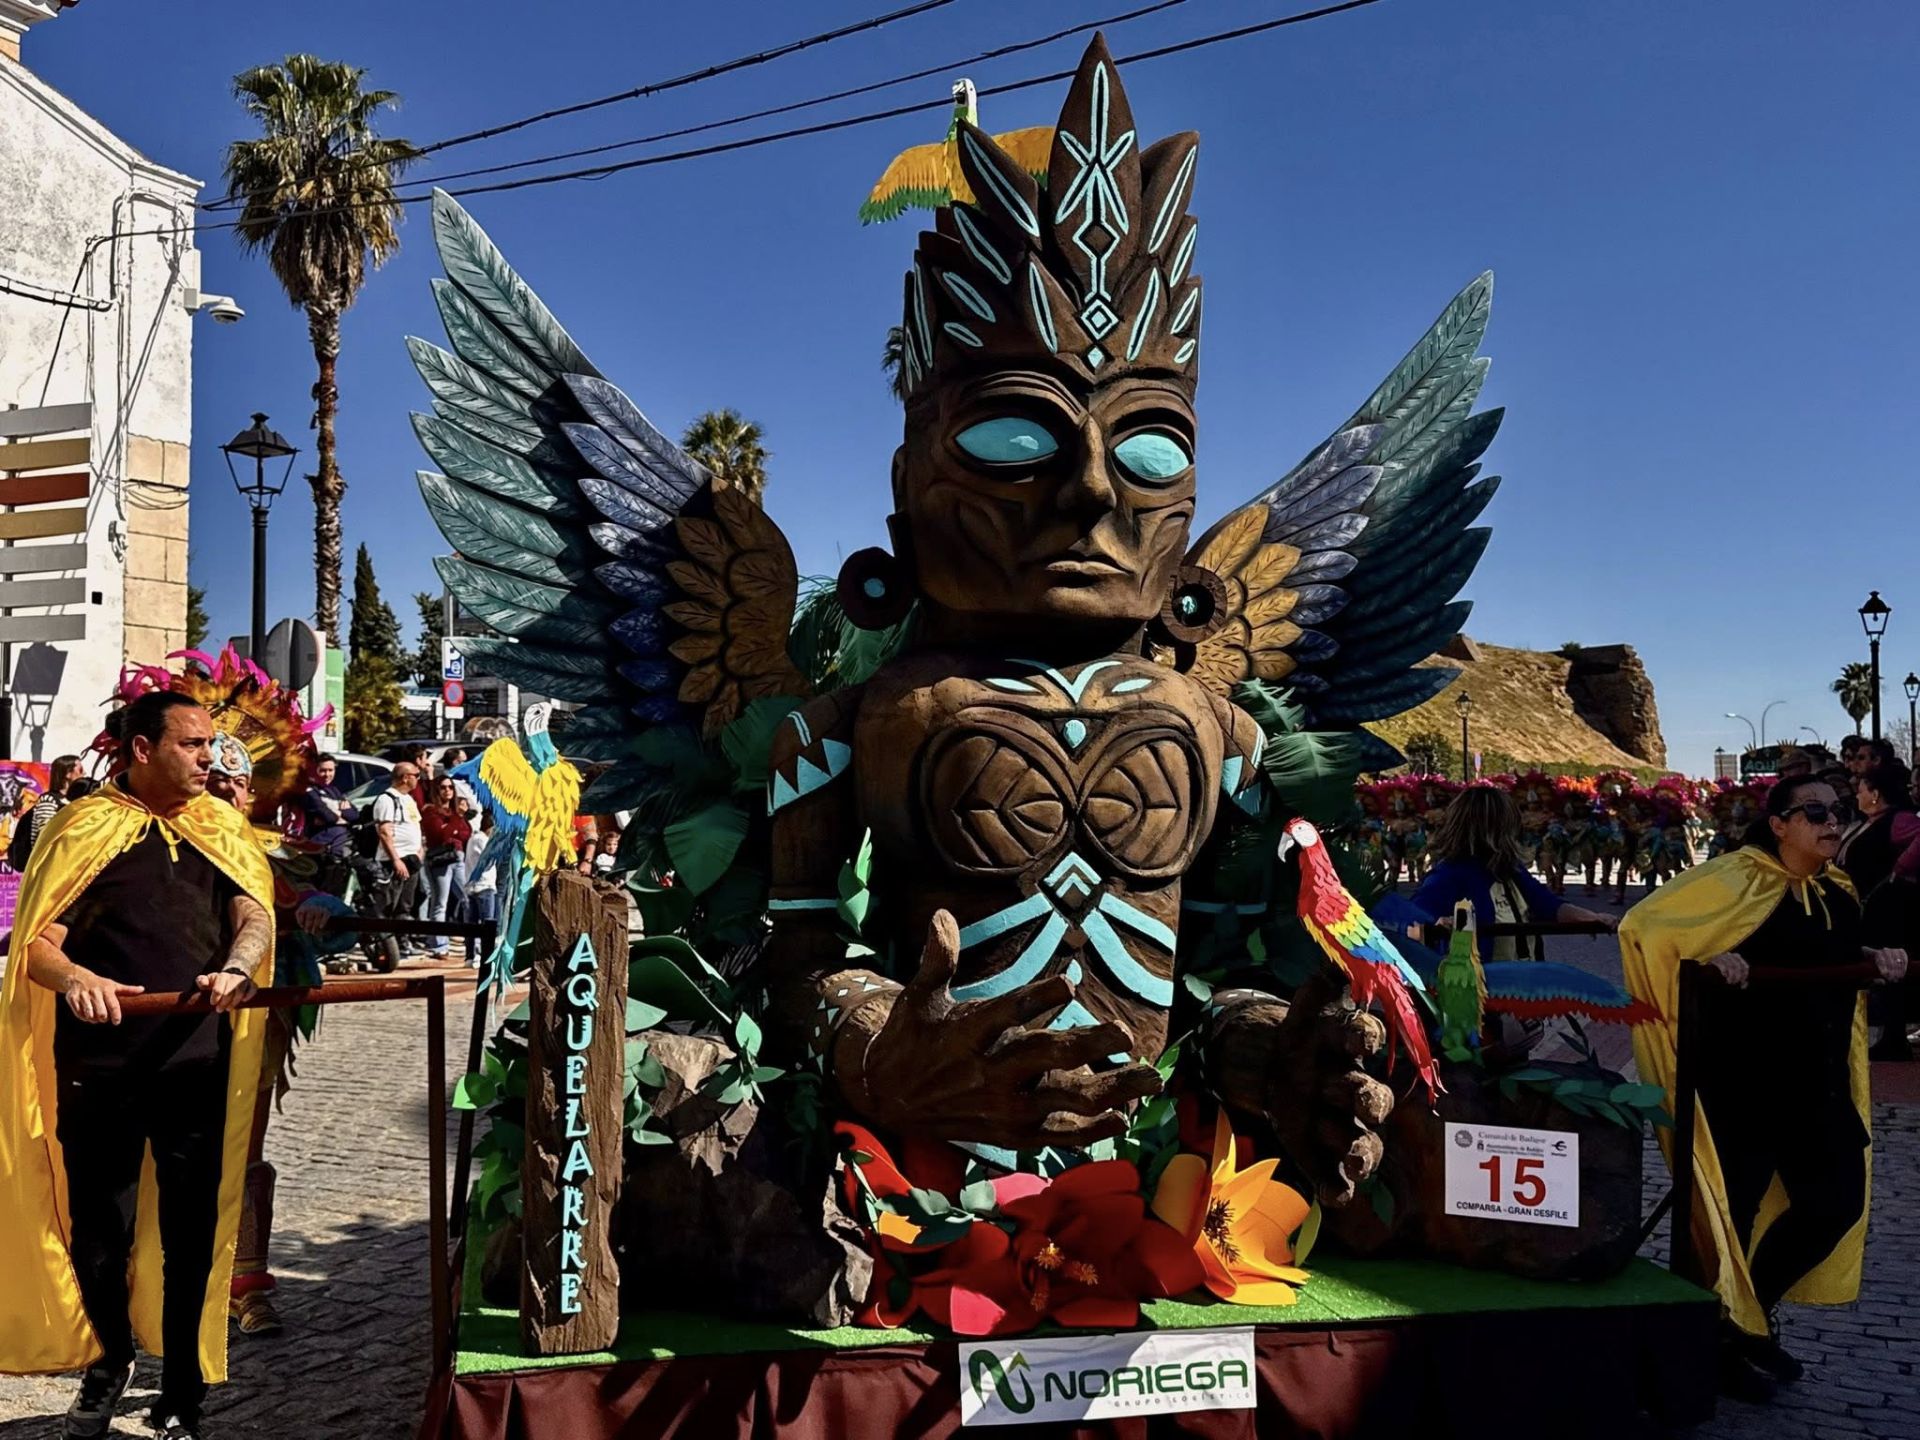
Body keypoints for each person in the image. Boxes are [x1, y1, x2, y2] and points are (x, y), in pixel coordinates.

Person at [0, 692, 275, 1440]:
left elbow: (252, 914)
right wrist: (75, 980)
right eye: (191, 745)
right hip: (101, 1065)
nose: (208, 759)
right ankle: (109, 1359)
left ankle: (182, 1392)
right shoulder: (82, 828)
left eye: (210, 744)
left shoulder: (221, 826)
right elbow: (39, 945)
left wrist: (240, 966)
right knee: (102, 1229)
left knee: (190, 1229)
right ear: (143, 749)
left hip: (194, 1061)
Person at [1620, 775, 1906, 1401]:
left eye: (1837, 811)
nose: (1832, 821)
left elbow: (1823, 954)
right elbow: (1646, 927)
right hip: (1744, 1089)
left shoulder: (1839, 890)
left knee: (1834, 1205)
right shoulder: (1735, 880)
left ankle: (1748, 1320)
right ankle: (1705, 1349)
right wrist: (1706, 961)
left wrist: (1871, 958)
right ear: (1779, 824)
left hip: (1819, 1090)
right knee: (1730, 1217)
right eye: (1814, 812)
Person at [1408, 785, 1619, 961]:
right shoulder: (1448, 875)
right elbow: (1411, 924)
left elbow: (1549, 905)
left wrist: (1593, 918)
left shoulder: (1511, 870)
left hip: (1519, 987)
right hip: (1473, 992)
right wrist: (1437, 924)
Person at [1841, 762, 1920, 1061]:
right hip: (1866, 905)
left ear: (1875, 793)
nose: (1856, 795)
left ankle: (1894, 1035)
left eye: (1860, 789)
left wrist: (1900, 869)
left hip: (1890, 907)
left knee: (1892, 969)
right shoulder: (1865, 822)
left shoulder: (1899, 819)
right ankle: (1890, 1034)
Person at [419, 775, 471, 959]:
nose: (447, 790)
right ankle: (439, 946)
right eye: (443, 787)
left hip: (458, 856)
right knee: (440, 902)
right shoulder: (431, 811)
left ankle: (473, 941)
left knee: (467, 897)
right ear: (436, 789)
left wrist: (455, 824)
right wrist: (457, 820)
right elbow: (441, 835)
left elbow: (465, 833)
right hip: (441, 859)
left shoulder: (454, 812)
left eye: (450, 787)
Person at [371, 761, 425, 932]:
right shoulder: (386, 800)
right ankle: (389, 943)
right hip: (395, 860)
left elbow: (415, 825)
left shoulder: (408, 799)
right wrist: (395, 860)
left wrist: (419, 850)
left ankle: (404, 938)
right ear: (405, 778)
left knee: (407, 904)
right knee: (391, 903)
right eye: (416, 775)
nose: (418, 779)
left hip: (412, 858)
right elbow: (385, 832)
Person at [23, 754, 82, 859]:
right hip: (50, 861)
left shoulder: (72, 800)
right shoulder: (49, 800)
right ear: (68, 773)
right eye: (80, 770)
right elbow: (46, 834)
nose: (84, 773)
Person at [297, 755, 356, 856]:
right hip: (316, 845)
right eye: (323, 770)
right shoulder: (308, 790)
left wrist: (340, 812)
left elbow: (354, 815)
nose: (327, 774)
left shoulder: (333, 790)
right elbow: (329, 817)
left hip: (336, 842)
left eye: (330, 770)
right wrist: (339, 814)